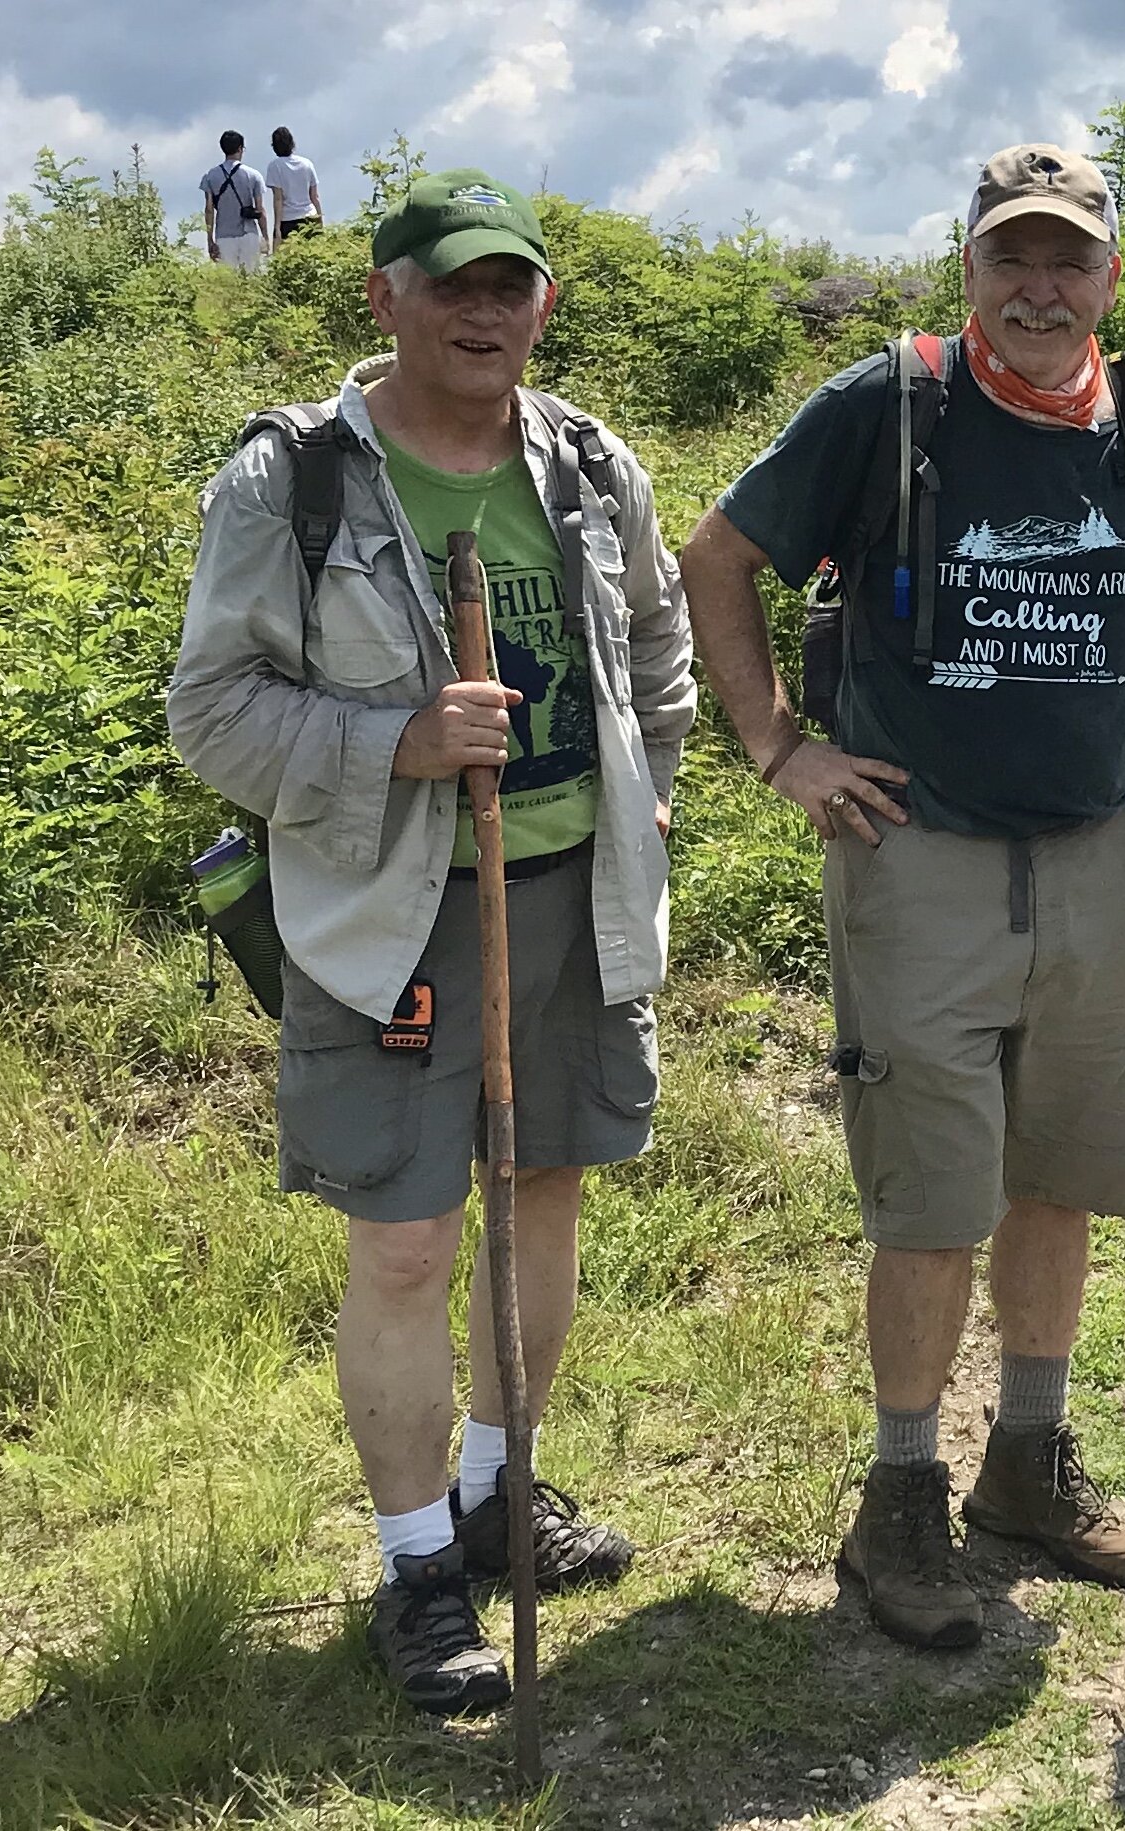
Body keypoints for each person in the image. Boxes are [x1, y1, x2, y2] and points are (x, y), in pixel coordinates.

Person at [679, 145, 1125, 1651]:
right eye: (1013, 258)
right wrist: (777, 747)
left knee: (1056, 1169)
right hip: (916, 856)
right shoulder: (893, 404)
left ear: (1108, 277)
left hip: (1087, 855)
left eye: (1068, 261)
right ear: (968, 269)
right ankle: (899, 1495)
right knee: (933, 1194)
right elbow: (717, 558)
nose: (1040, 289)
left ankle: (1027, 1464)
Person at [169, 170, 696, 1714]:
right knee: (404, 1238)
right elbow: (210, 709)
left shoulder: (593, 465)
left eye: (510, 284)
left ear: (540, 301)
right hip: (389, 912)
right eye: (450, 283)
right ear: (384, 296)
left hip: (571, 901)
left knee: (543, 1198)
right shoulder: (295, 484)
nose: (484, 311)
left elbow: (655, 645)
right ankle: (414, 1566)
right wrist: (397, 742)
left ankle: (493, 1489)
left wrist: (644, 786)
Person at [200, 131, 272, 273]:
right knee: (251, 278)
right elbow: (260, 210)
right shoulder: (253, 175)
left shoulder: (210, 176)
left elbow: (209, 210)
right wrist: (265, 237)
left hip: (224, 235)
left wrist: (210, 240)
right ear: (240, 149)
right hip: (248, 233)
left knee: (228, 282)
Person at [266, 127, 323, 239]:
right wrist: (320, 219)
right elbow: (314, 197)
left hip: (288, 220)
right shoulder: (307, 164)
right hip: (310, 217)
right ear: (292, 143)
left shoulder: (275, 166)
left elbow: (278, 199)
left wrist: (277, 227)